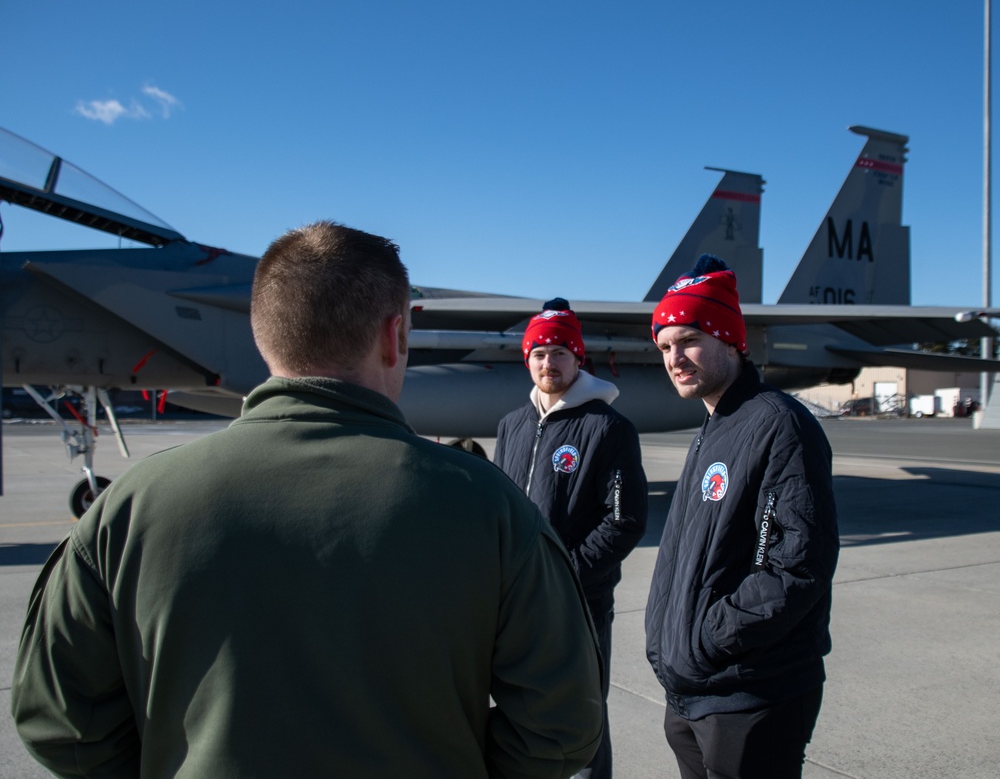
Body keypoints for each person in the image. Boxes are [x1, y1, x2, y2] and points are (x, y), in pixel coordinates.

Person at [10, 222, 604, 779]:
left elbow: (60, 720)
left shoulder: (129, 508)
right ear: (394, 336)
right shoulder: (489, 507)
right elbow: (561, 724)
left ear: (263, 333)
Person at [644, 255, 840, 779]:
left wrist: (706, 639)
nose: (674, 358)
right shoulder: (715, 426)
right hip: (695, 693)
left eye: (688, 340)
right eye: (664, 346)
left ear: (729, 338)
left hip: (752, 695)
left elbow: (793, 567)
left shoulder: (778, 425)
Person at [493, 298, 648, 779]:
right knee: (518, 715)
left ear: (578, 359)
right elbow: (501, 508)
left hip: (580, 602)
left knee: (581, 718)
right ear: (527, 360)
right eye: (539, 352)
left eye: (560, 351)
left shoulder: (608, 428)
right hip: (516, 604)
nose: (548, 362)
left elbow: (623, 520)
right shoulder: (512, 426)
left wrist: (565, 577)